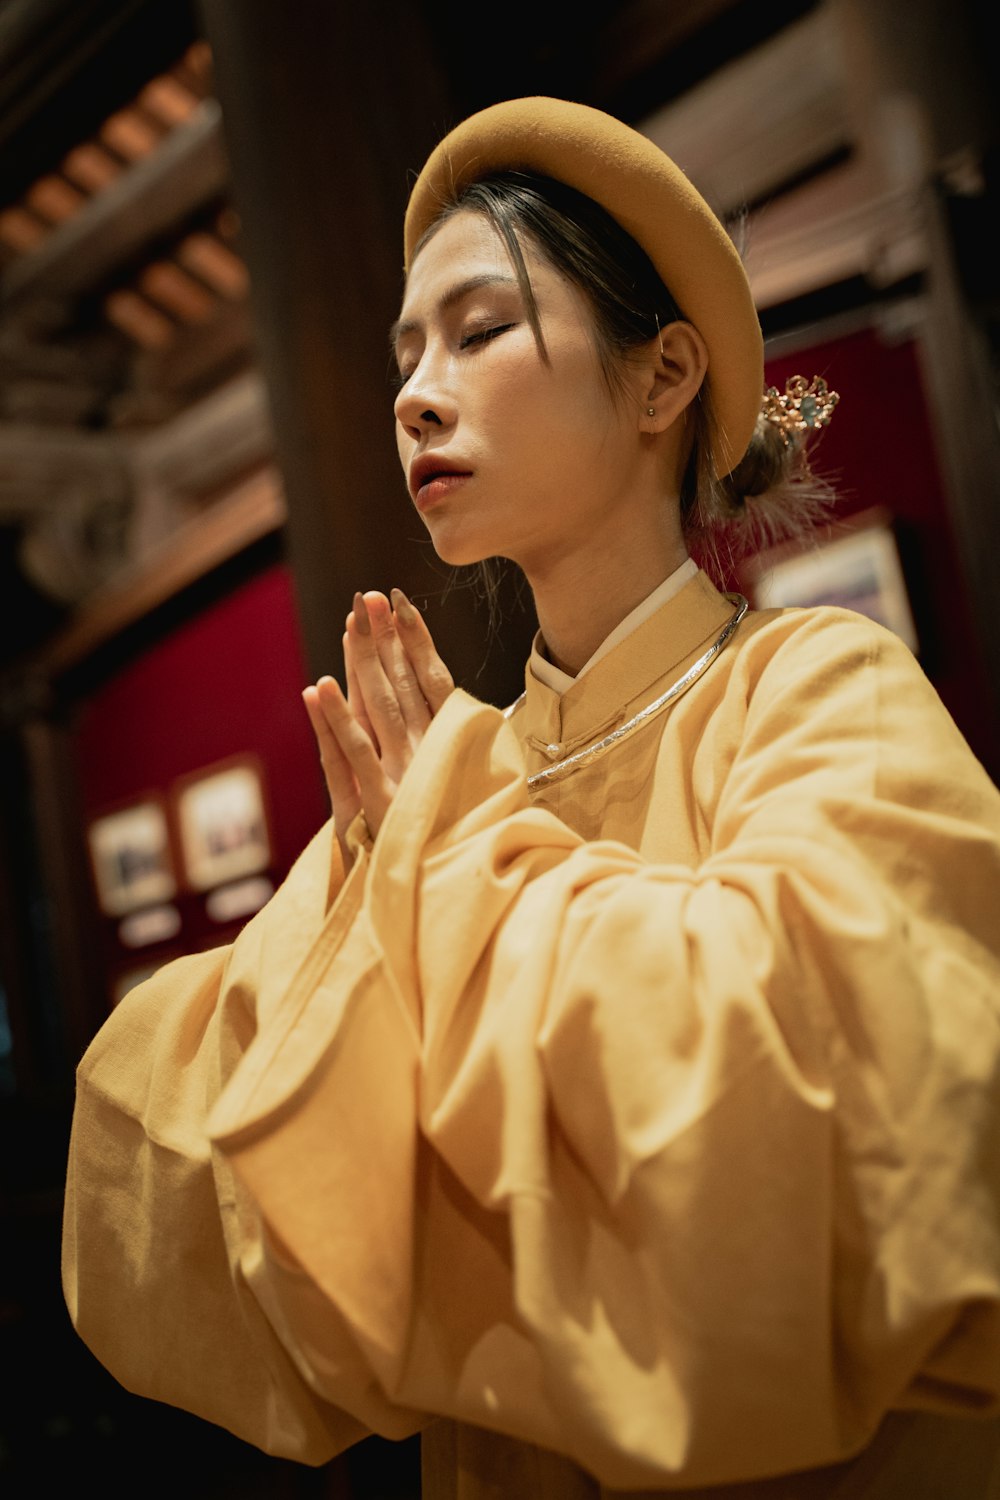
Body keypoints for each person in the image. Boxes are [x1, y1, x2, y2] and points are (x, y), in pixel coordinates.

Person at [63, 97, 1000, 1498]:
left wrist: (450, 853)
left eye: (481, 328)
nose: (414, 392)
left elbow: (816, 1114)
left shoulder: (818, 687)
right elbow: (183, 1171)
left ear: (664, 373)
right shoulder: (453, 774)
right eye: (405, 352)